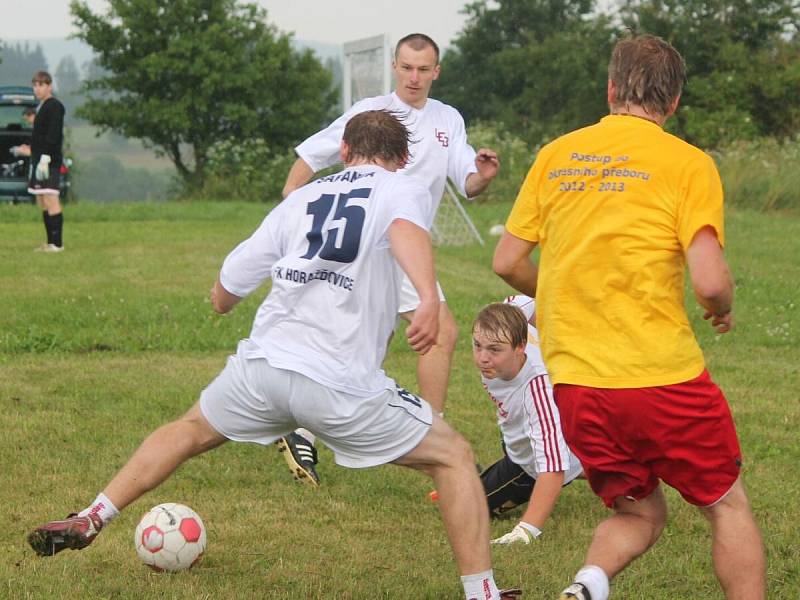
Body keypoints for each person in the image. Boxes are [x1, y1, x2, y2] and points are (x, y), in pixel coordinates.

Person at [27, 110, 520, 600]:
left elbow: (224, 294)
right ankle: (483, 595)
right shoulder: (398, 186)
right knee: (454, 456)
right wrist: (428, 298)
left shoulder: (301, 198)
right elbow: (406, 230)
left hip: (261, 370)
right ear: (404, 157)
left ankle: (93, 515)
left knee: (189, 430)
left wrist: (227, 297)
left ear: (344, 151)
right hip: (336, 384)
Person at [492, 33, 766, 600]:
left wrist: (566, 296)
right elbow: (711, 281)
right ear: (673, 103)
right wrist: (721, 309)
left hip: (577, 383)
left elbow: (507, 260)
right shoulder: (687, 163)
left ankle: (586, 586)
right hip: (661, 377)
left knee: (637, 512)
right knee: (726, 505)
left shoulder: (557, 154)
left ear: (612, 88)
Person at [276, 33, 500, 486]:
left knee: (356, 345)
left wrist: (484, 176)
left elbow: (467, 182)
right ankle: (435, 441)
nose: (415, 77)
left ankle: (301, 428)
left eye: (424, 68)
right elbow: (311, 152)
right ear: (395, 68)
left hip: (405, 246)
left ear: (436, 71)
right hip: (368, 242)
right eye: (407, 67)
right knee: (440, 332)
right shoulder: (370, 114)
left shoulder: (447, 120)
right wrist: (290, 204)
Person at [472, 297, 583, 545]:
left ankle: (617, 474)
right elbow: (536, 297)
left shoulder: (537, 391)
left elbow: (552, 467)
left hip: (527, 465)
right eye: (477, 345)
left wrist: (526, 530)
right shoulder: (509, 317)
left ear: (520, 346)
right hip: (517, 432)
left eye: (495, 349)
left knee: (469, 507)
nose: (482, 357)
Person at [20, 71, 66, 253]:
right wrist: (30, 150)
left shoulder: (55, 106)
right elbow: (39, 135)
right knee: (42, 200)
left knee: (51, 198)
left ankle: (58, 244)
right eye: (35, 85)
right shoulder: (41, 106)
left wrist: (46, 157)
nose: (37, 89)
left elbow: (53, 135)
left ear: (49, 86)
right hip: (38, 160)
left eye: (41, 85)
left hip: (49, 161)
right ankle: (49, 243)